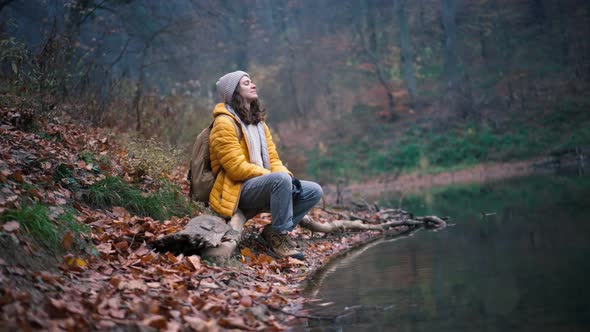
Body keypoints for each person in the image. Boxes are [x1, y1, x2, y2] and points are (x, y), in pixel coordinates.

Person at [208, 70, 322, 260]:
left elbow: (274, 160)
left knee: (313, 190)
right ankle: (280, 238)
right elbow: (236, 168)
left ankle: (272, 233)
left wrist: (289, 179)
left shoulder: (259, 124)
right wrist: (275, 178)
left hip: (262, 184)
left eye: (251, 82)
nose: (253, 85)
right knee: (280, 179)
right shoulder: (224, 123)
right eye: (246, 83)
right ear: (234, 92)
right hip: (237, 189)